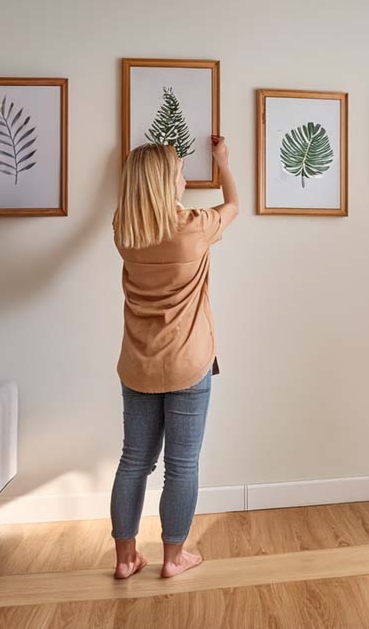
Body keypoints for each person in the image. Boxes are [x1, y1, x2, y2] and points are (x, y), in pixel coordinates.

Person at [108, 137, 239, 579]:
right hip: (188, 363)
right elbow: (235, 204)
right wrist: (222, 162)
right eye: (180, 171)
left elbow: (135, 209)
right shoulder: (194, 228)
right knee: (181, 465)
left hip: (138, 365)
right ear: (167, 182)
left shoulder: (123, 232)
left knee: (133, 461)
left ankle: (125, 559)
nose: (185, 176)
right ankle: (173, 558)